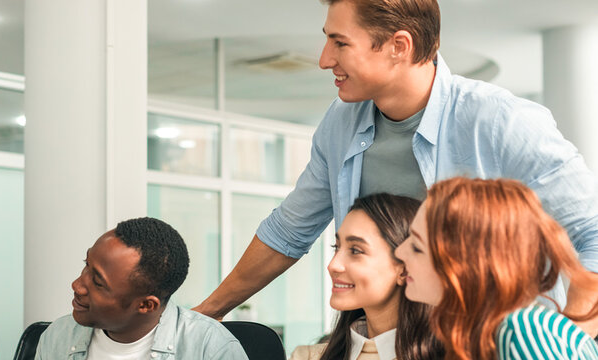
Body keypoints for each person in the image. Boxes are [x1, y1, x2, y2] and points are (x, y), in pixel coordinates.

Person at [192, 0, 598, 336]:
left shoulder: (500, 121)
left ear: (398, 46)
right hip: (385, 339)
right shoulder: (340, 122)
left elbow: (591, 232)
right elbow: (288, 230)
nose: (324, 59)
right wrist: (209, 313)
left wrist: (568, 337)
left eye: (340, 42)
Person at [395, 177, 598, 359]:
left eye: (416, 247)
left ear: (468, 268)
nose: (399, 252)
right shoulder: (481, 333)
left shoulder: (522, 332)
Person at [34, 217, 248, 360]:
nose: (77, 286)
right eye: (86, 265)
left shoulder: (210, 348)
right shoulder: (58, 337)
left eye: (98, 283)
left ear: (146, 305)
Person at [291, 194, 443, 360]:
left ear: (405, 269)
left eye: (356, 250)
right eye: (337, 247)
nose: (333, 265)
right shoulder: (308, 357)